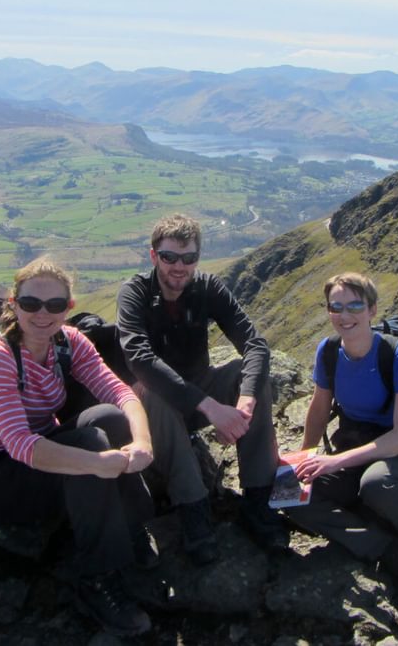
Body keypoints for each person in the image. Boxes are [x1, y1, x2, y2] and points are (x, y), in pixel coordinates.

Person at [0, 258, 155, 637]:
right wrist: (96, 463)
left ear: (69, 307)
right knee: (91, 445)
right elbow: (20, 445)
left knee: (109, 417)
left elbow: (120, 392)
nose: (42, 314)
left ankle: (131, 528)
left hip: (38, 449)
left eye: (54, 305)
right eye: (31, 304)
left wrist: (142, 441)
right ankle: (97, 579)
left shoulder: (67, 341)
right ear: (13, 304)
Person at [116, 214, 289, 563]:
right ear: (153, 257)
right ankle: (194, 508)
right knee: (150, 389)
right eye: (169, 257)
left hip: (197, 393)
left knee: (248, 374)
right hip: (159, 412)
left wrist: (244, 404)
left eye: (189, 258)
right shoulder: (134, 292)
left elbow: (255, 345)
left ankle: (257, 498)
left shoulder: (208, 288)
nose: (179, 267)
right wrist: (211, 408)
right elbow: (140, 358)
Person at [285, 273, 398, 595]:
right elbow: (319, 407)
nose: (345, 315)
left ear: (372, 310)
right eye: (336, 307)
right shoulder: (327, 351)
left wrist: (334, 463)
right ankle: (385, 548)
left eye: (355, 305)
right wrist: (304, 460)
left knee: (378, 484)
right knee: (291, 495)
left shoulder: (397, 357)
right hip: (354, 443)